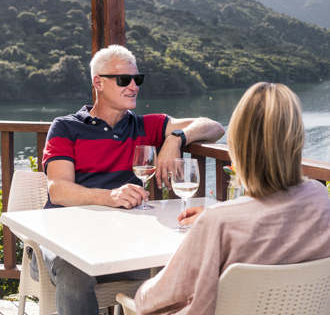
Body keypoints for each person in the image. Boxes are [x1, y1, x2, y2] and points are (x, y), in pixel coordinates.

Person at [30, 44, 225, 315]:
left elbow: (214, 126)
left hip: (119, 246)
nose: (133, 86)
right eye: (124, 80)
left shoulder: (145, 125)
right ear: (97, 82)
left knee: (185, 260)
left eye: (138, 79)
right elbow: (58, 190)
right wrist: (108, 197)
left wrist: (176, 138)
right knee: (74, 269)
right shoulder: (65, 127)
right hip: (63, 242)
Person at [135, 82, 330, 315]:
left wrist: (139, 291)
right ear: (297, 141)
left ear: (238, 145)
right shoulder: (319, 198)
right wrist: (219, 218)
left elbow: (152, 301)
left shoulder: (220, 224)